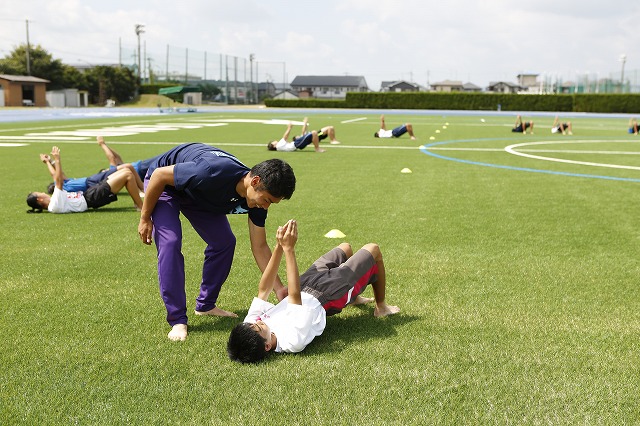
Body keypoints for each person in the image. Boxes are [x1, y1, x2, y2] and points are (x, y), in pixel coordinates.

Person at [137, 143, 296, 342]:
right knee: (171, 242)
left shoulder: (256, 200)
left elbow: (260, 246)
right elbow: (160, 175)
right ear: (255, 181)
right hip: (165, 186)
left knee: (224, 242)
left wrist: (279, 289)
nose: (265, 206)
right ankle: (178, 319)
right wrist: (145, 218)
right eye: (266, 200)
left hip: (198, 195)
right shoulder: (211, 172)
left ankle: (206, 305)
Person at [226, 219, 401, 364]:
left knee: (345, 247)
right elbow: (294, 297)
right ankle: (381, 307)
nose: (255, 322)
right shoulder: (292, 340)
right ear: (266, 346)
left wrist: (279, 246)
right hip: (327, 295)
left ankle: (354, 297)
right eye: (258, 327)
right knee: (373, 249)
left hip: (304, 285)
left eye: (251, 324)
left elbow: (264, 289)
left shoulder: (249, 328)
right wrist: (289, 250)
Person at [27, 146, 144, 213]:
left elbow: (57, 177)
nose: (43, 192)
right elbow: (58, 180)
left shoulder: (55, 201)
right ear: (40, 199)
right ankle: (140, 205)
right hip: (91, 198)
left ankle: (139, 201)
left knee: (126, 171)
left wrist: (48, 162)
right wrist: (56, 160)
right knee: (127, 174)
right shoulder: (54, 205)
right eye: (40, 193)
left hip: (89, 194)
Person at [40, 144, 144, 194]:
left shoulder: (66, 183)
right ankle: (143, 190)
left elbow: (59, 173)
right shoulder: (63, 188)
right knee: (127, 168)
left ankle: (142, 190)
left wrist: (50, 162)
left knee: (127, 169)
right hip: (92, 182)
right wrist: (48, 162)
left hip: (91, 180)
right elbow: (55, 175)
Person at [97, 136, 162, 182]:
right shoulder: (111, 174)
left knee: (162, 162)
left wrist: (105, 145)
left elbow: (117, 157)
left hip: (142, 168)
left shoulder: (117, 171)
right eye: (104, 171)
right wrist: (102, 144)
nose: (107, 170)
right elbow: (112, 157)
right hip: (141, 168)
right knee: (162, 159)